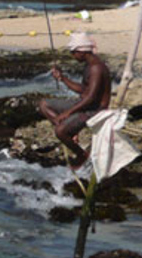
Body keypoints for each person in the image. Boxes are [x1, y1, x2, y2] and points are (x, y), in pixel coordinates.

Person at [39, 32, 111, 169]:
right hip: (86, 105)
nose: (72, 55)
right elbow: (84, 90)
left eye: (73, 52)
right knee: (44, 104)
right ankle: (70, 130)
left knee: (60, 131)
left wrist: (68, 113)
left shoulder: (96, 68)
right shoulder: (89, 64)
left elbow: (91, 98)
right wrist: (63, 78)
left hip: (95, 109)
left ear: (82, 52)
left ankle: (81, 154)